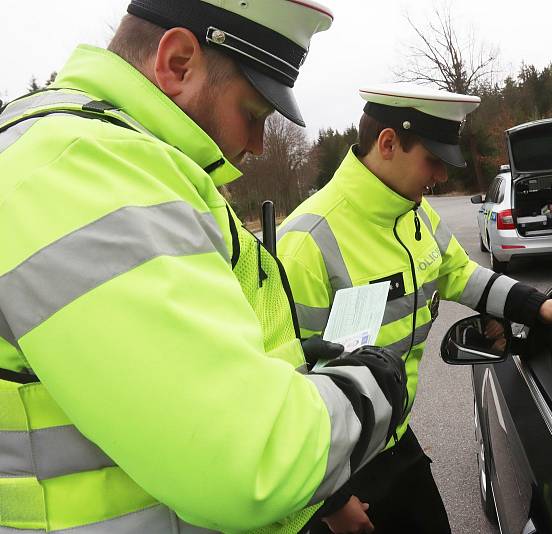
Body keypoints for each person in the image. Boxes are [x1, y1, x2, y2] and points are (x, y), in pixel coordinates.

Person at [0, 2, 411, 533]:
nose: (258, 146)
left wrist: (273, 372)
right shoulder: (84, 170)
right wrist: (372, 385)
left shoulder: (104, 160)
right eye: (254, 113)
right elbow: (250, 462)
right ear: (176, 63)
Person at [277, 84, 552, 534]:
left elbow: (461, 275)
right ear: (388, 143)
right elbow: (284, 387)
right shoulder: (307, 240)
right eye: (433, 161)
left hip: (396, 438)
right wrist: (330, 500)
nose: (441, 177)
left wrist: (537, 305)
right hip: (338, 469)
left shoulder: (416, 214)